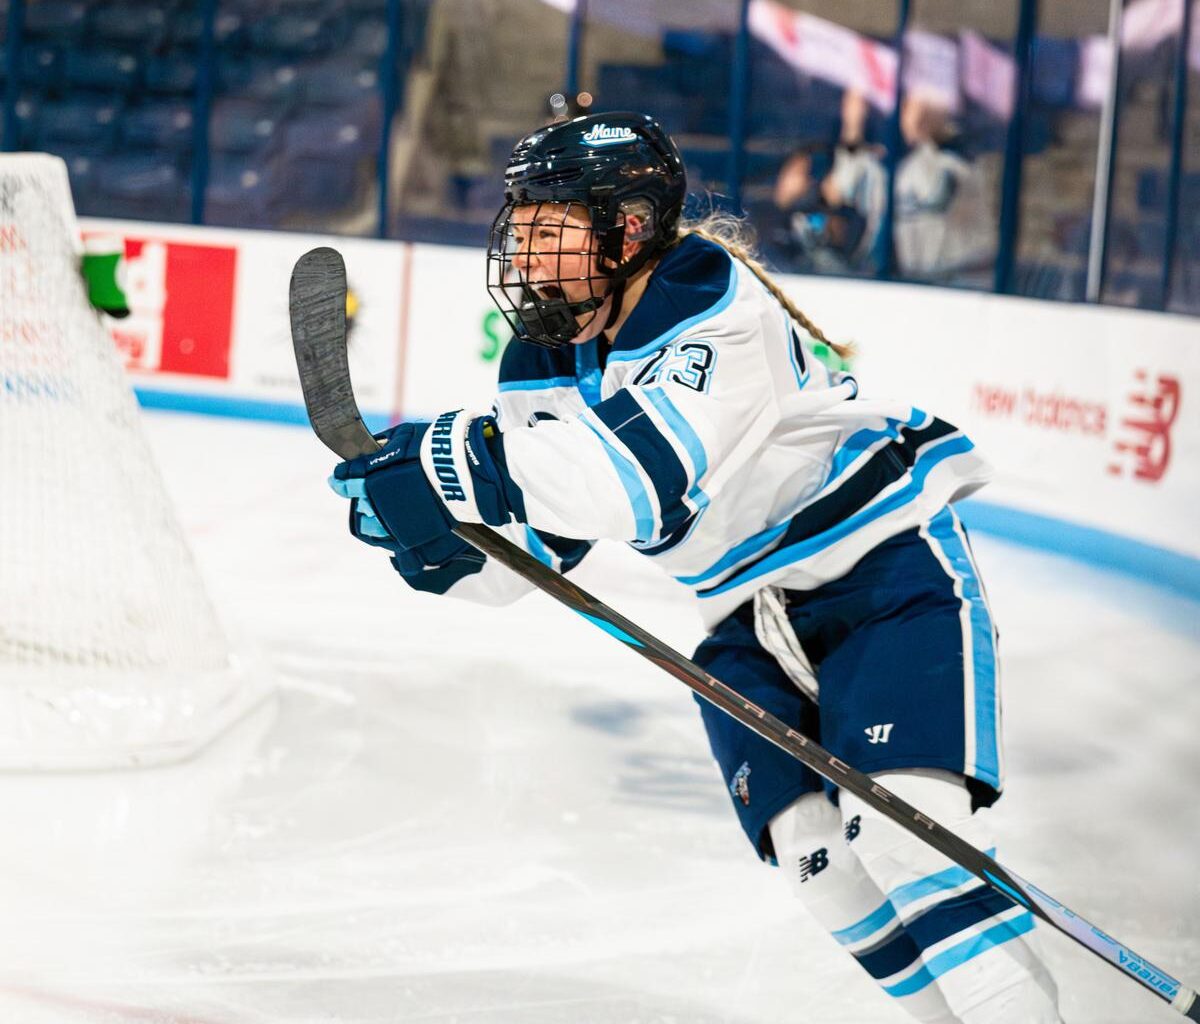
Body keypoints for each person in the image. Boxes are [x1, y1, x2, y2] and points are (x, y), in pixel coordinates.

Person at [328, 111, 1062, 1023]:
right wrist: (436, 544)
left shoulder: (712, 304)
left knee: (910, 847)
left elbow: (635, 484)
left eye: (547, 227)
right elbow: (536, 556)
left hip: (882, 578)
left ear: (627, 227)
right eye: (517, 228)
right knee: (819, 864)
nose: (522, 253)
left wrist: (456, 461)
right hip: (746, 623)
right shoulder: (542, 359)